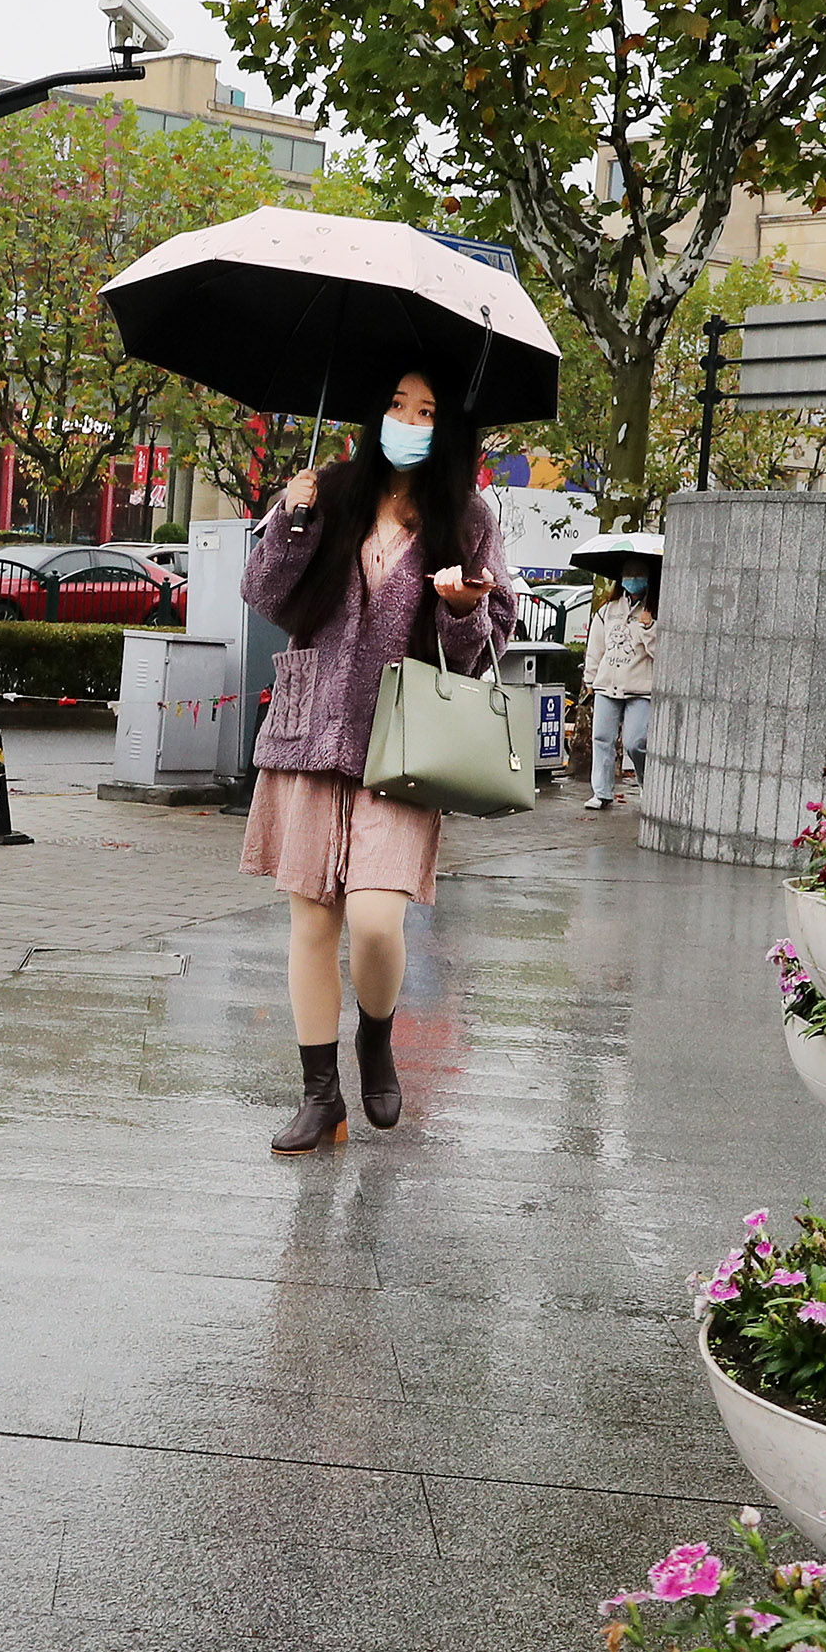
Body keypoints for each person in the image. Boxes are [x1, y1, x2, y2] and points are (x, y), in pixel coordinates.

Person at [237, 370, 515, 1155]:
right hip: (311, 731)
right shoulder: (326, 489)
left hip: (403, 746)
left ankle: (377, 1038)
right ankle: (319, 1094)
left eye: (425, 410)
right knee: (312, 920)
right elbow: (264, 593)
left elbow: (486, 638)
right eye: (395, 404)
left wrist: (461, 610)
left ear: (447, 426)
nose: (407, 420)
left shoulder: (465, 517)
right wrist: (292, 518)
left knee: (375, 921)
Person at [582, 565, 656, 810]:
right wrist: (590, 679)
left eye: (639, 574)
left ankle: (648, 785)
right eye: (629, 574)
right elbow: (596, 648)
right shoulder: (607, 610)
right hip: (607, 685)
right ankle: (601, 792)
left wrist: (648, 627)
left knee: (636, 742)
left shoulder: (655, 610)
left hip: (640, 688)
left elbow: (659, 652)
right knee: (602, 738)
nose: (633, 580)